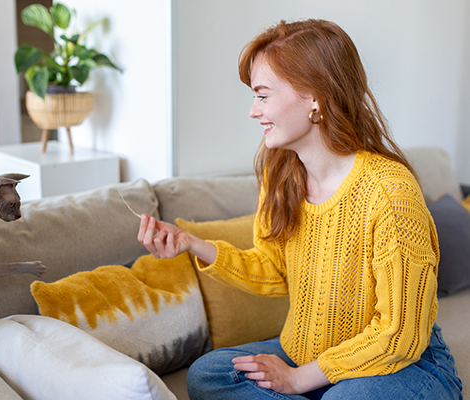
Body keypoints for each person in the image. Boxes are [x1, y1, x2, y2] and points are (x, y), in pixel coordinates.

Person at [137, 19, 463, 400]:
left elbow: (400, 335)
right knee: (209, 374)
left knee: (343, 398)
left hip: (402, 364)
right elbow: (274, 270)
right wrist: (192, 244)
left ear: (315, 96)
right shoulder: (281, 174)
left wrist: (297, 380)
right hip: (307, 355)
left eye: (263, 95)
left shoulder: (390, 191)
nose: (253, 111)